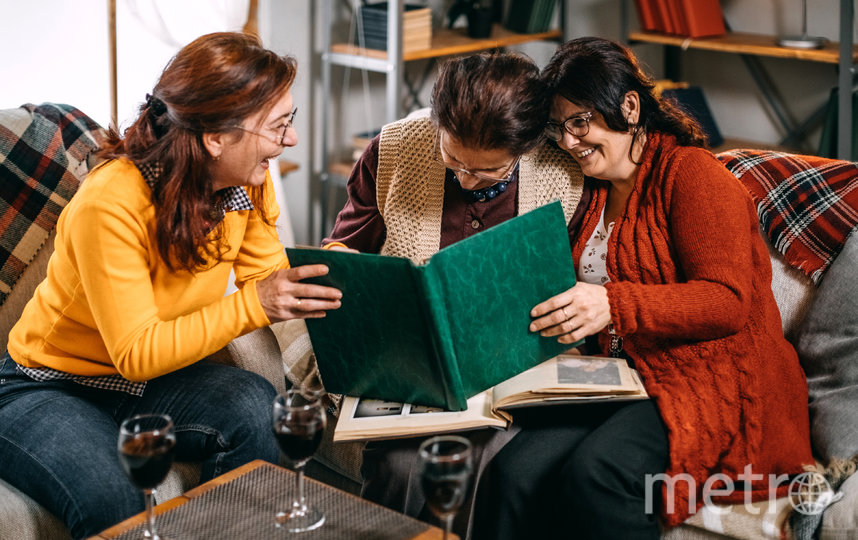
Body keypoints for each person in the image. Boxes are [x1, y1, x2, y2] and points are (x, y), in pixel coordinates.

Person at [0, 32, 342, 539]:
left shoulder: (245, 183)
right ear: (216, 138)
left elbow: (268, 279)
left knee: (255, 406)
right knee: (117, 496)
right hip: (45, 385)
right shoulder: (111, 202)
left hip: (142, 386)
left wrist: (344, 280)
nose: (290, 140)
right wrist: (257, 303)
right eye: (278, 126)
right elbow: (137, 351)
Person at [473, 36, 815, 539]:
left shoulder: (694, 175)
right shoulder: (587, 192)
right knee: (509, 473)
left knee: (597, 474)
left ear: (629, 106)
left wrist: (613, 302)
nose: (568, 141)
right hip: (620, 379)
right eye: (558, 127)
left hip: (713, 378)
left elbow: (728, 302)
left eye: (579, 122)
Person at [323, 51, 587, 538]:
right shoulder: (395, 148)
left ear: (525, 148)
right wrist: (344, 272)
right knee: (400, 468)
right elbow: (344, 249)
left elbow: (572, 281)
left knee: (472, 465)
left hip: (514, 369)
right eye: (452, 160)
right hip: (410, 368)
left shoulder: (563, 174)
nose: (465, 179)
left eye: (486, 173)